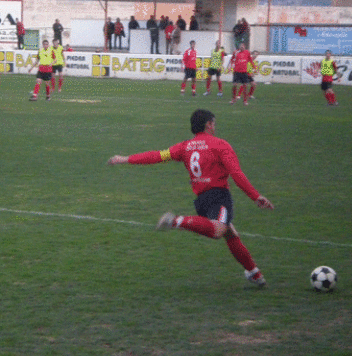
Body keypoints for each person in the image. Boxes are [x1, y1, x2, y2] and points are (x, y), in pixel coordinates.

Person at [108, 109, 275, 287]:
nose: (215, 127)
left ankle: (254, 273)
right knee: (219, 230)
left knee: (230, 233)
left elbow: (156, 156)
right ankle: (176, 221)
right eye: (214, 124)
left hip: (202, 200)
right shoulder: (220, 145)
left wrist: (125, 159)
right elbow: (236, 173)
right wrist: (256, 196)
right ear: (209, 125)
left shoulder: (185, 147)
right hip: (218, 197)